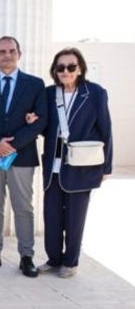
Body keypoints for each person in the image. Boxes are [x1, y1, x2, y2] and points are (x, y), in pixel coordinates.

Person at [0, 36, 47, 277]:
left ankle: (26, 256)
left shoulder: (35, 84)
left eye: (12, 51)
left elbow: (41, 120)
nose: (7, 55)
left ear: (19, 54)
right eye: (2, 51)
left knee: (23, 206)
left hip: (21, 155)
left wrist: (12, 145)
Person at [38, 47, 113, 278]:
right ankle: (53, 259)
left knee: (75, 217)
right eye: (61, 67)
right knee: (51, 216)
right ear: (55, 70)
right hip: (53, 166)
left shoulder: (95, 93)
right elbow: (45, 127)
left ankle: (70, 262)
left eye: (71, 67)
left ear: (80, 69)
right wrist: (33, 120)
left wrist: (107, 167)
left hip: (81, 166)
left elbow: (106, 130)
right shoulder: (49, 94)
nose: (66, 71)